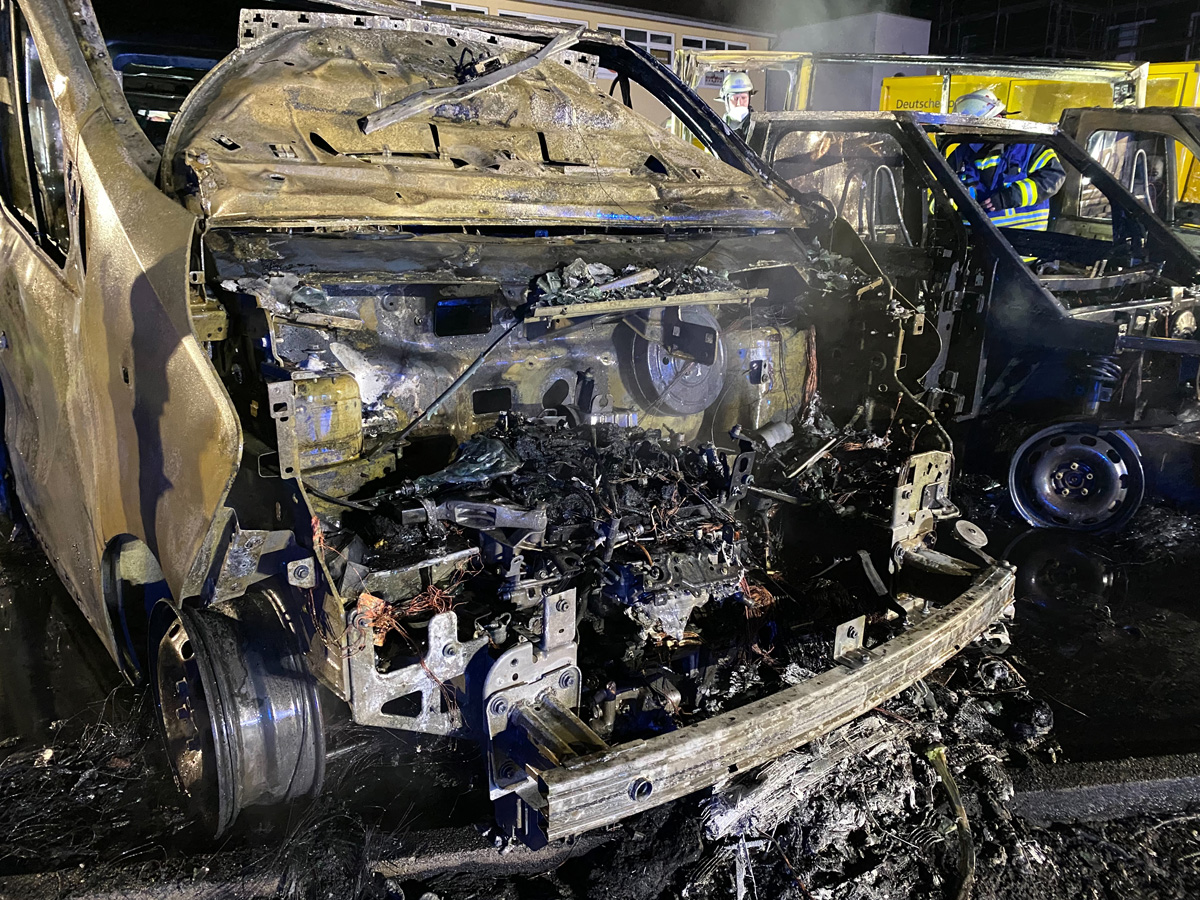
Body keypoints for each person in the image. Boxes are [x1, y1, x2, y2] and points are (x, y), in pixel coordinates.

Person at [941, 88, 1066, 231]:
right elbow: (940, 194)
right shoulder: (961, 154)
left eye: (977, 128)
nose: (973, 135)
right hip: (974, 240)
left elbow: (1053, 177)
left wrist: (1009, 197)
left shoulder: (1029, 146)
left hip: (1025, 240)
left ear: (998, 118)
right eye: (968, 130)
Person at [719, 71, 755, 137]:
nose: (739, 103)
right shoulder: (718, 129)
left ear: (749, 99)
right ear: (726, 101)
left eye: (743, 98)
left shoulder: (759, 127)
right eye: (735, 98)